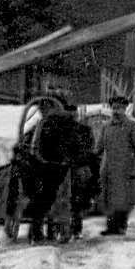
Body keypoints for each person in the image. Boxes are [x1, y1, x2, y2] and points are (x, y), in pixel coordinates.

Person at [24, 98, 81, 242]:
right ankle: (51, 231)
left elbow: (35, 148)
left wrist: (42, 161)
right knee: (55, 200)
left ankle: (47, 232)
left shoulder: (51, 124)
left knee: (51, 200)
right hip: (55, 167)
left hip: (52, 167)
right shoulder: (52, 124)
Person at [95, 96, 135, 236]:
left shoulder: (131, 126)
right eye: (114, 108)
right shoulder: (106, 126)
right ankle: (111, 227)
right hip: (109, 169)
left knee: (124, 200)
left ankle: (122, 225)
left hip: (124, 169)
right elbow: (98, 148)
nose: (116, 111)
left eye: (120, 108)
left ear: (125, 109)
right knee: (108, 199)